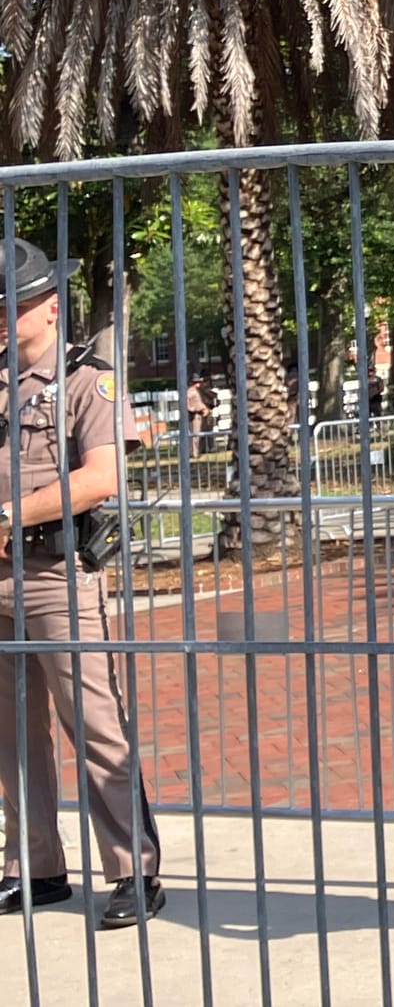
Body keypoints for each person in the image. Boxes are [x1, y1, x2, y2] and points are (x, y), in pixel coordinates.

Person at [0, 238, 164, 928]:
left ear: (47, 307)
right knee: (10, 735)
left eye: (10, 307)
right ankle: (35, 867)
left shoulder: (87, 382)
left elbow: (100, 477)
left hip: (57, 576)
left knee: (96, 726)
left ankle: (133, 871)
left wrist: (10, 513)